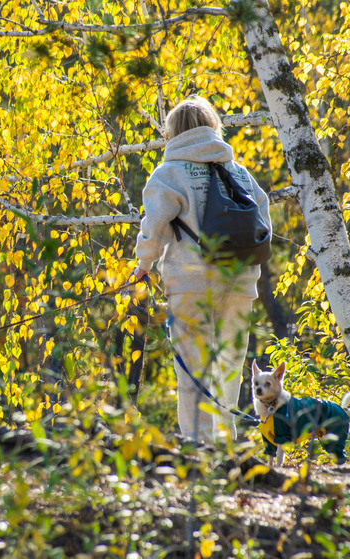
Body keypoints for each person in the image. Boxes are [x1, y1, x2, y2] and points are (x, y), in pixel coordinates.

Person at [133, 95, 272, 444]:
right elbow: (263, 219)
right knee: (228, 369)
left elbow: (155, 225)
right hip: (240, 282)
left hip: (190, 282)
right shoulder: (238, 172)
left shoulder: (169, 174)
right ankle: (226, 446)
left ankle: (198, 449)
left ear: (173, 132)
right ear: (213, 127)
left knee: (193, 371)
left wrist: (144, 265)